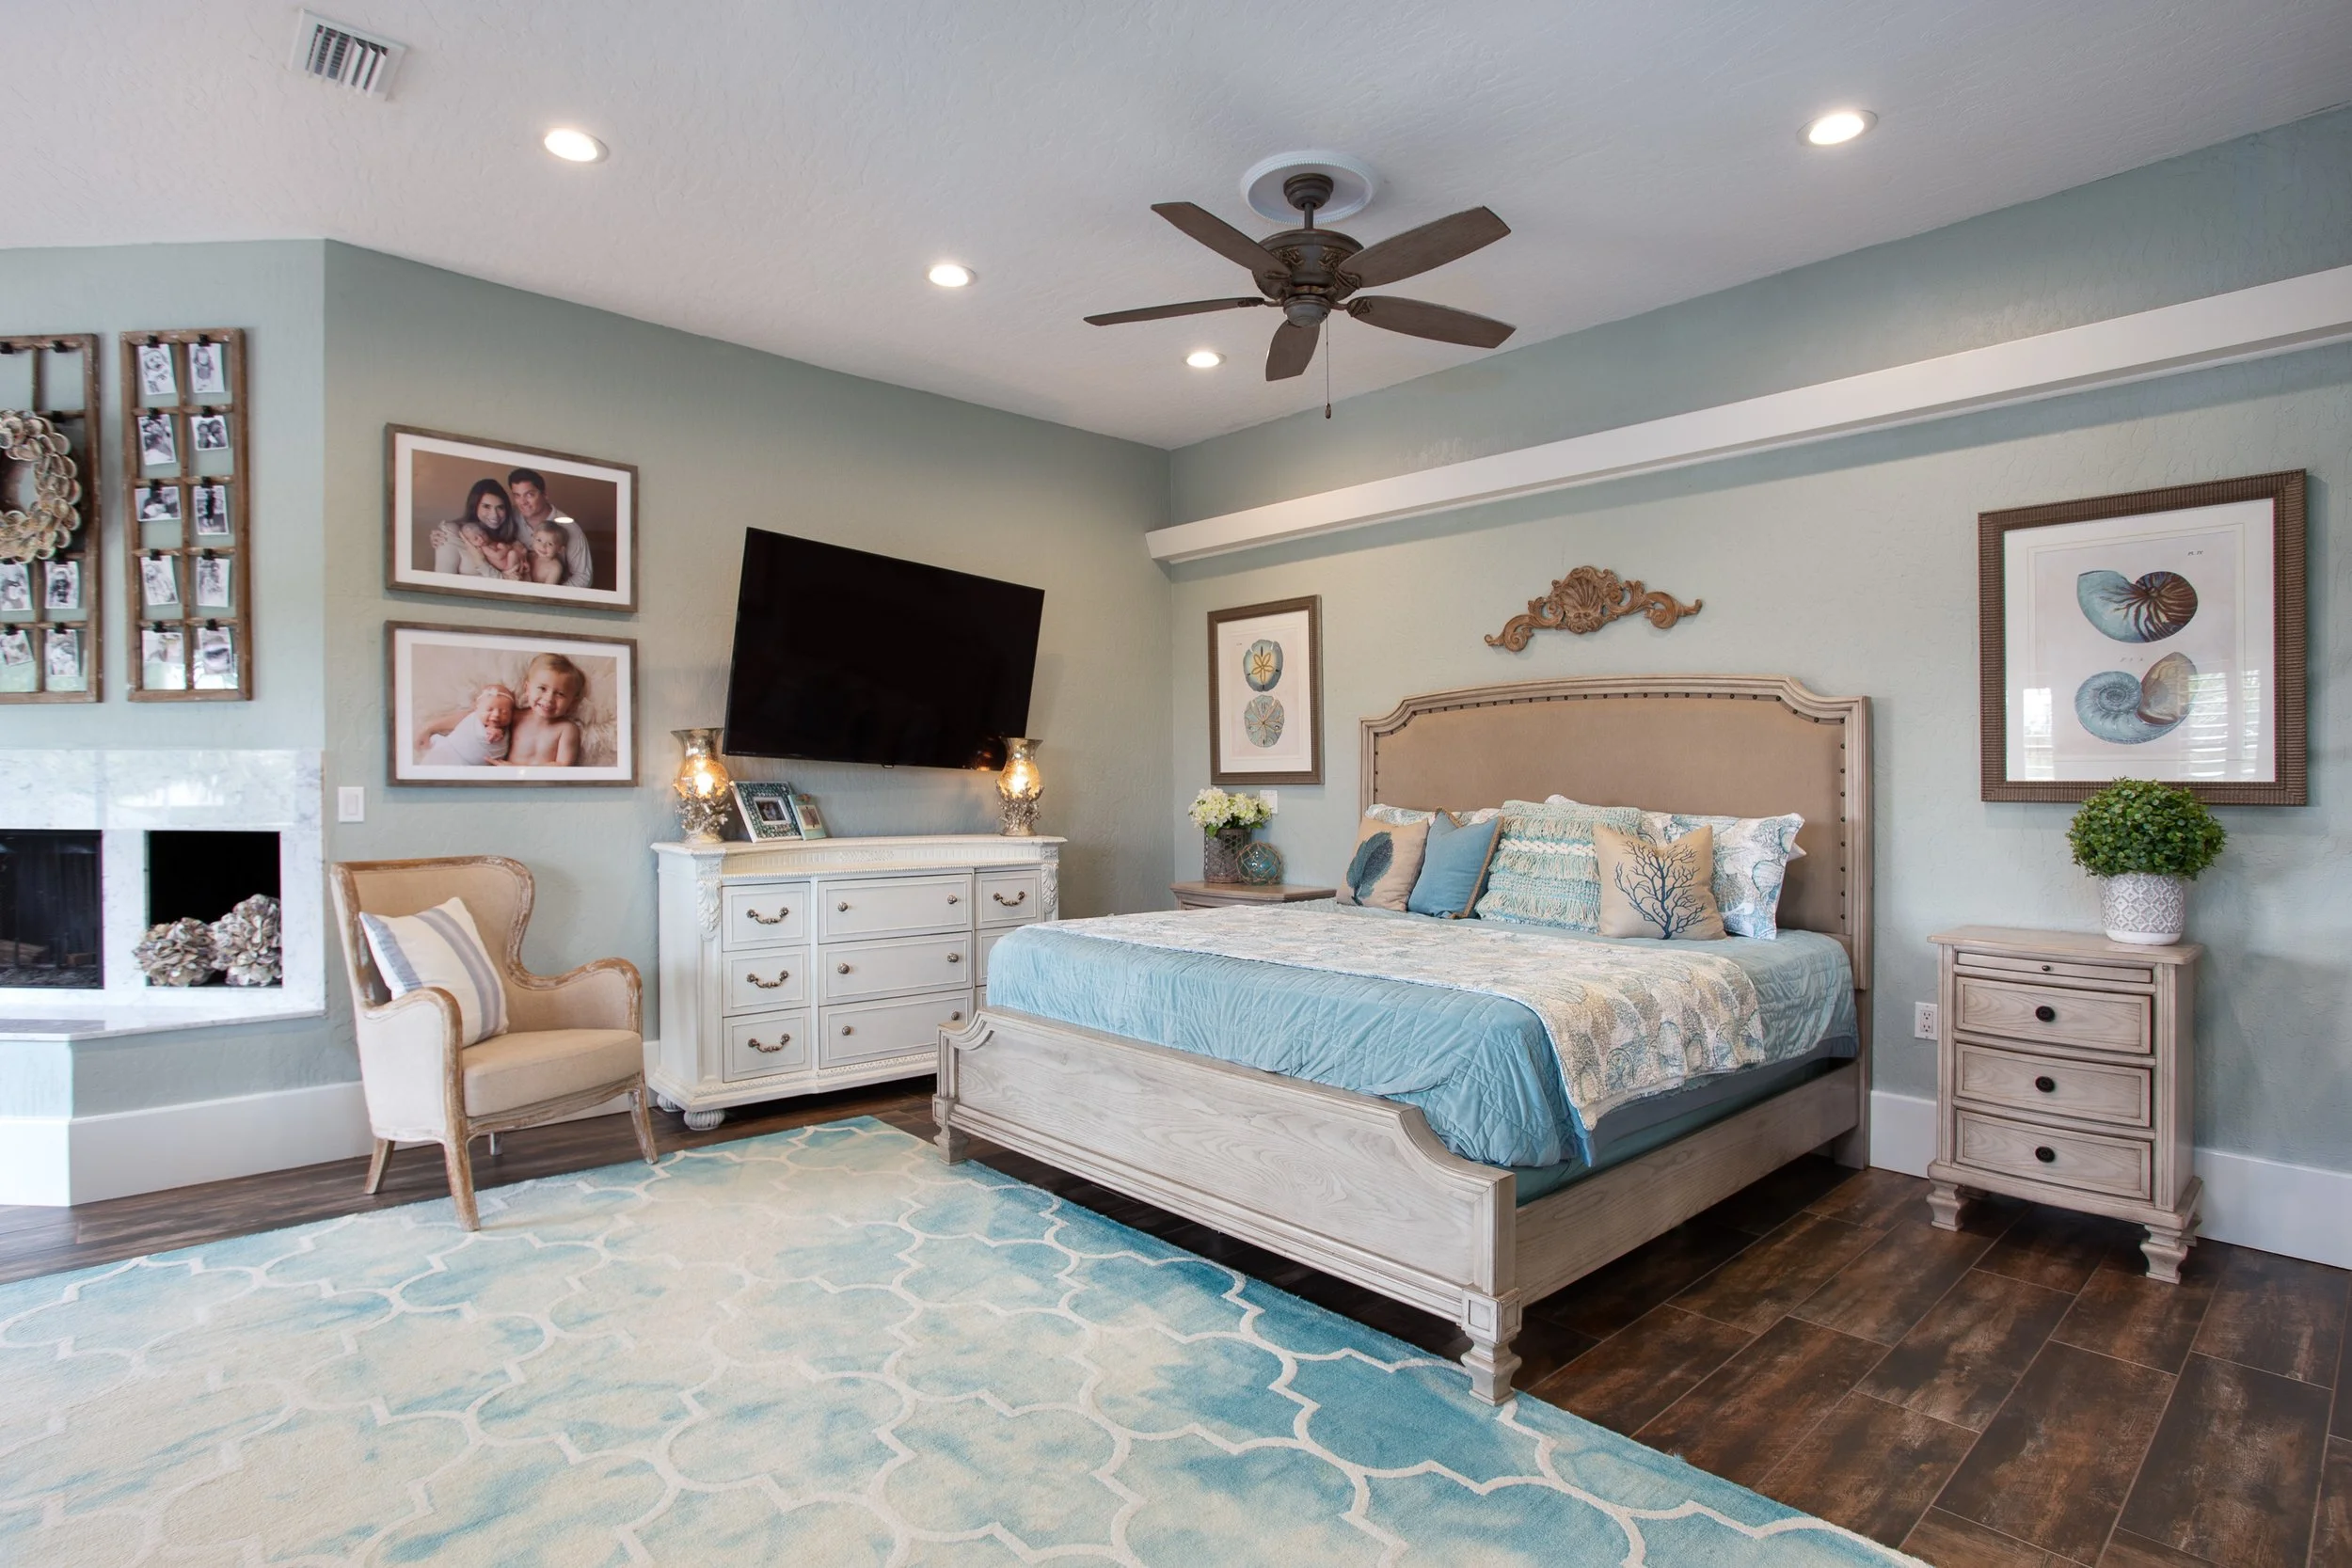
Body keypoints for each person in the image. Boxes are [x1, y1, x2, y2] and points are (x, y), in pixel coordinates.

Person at [506, 469, 592, 588]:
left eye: (529, 495)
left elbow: (583, 577)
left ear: (545, 494)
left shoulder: (570, 528)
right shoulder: (510, 516)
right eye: (517, 495)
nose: (523, 502)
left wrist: (549, 595)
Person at [501, 653, 586, 767]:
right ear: (527, 689)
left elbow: (562, 765)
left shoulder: (567, 729)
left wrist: (517, 770)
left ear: (572, 703)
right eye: (542, 688)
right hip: (510, 780)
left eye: (560, 694)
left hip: (545, 783)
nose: (549, 699)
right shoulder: (515, 717)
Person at [429, 478, 518, 579]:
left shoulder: (510, 538)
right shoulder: (452, 531)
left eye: (500, 507)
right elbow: (442, 582)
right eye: (486, 507)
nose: (495, 515)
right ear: (474, 506)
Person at [417, 683, 516, 766]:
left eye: (504, 712)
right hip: (450, 751)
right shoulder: (472, 718)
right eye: (489, 709)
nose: (496, 714)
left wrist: (497, 734)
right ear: (476, 707)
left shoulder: (506, 732)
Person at [526, 520, 568, 585]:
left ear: (560, 549)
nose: (543, 546)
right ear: (533, 538)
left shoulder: (555, 568)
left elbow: (547, 592)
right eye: (539, 540)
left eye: (550, 544)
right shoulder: (529, 556)